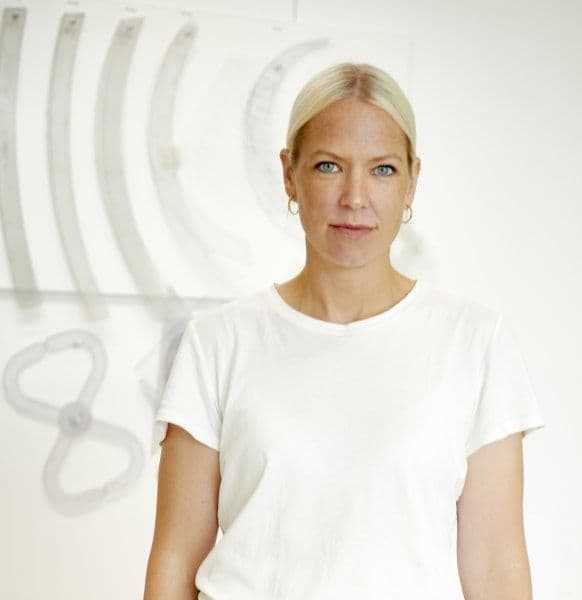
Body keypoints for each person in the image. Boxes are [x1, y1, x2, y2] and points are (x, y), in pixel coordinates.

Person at [143, 62, 545, 599]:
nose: (355, 198)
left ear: (412, 180)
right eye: (330, 166)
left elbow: (497, 566)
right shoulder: (217, 343)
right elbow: (174, 557)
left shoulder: (473, 342)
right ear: (290, 173)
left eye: (382, 170)